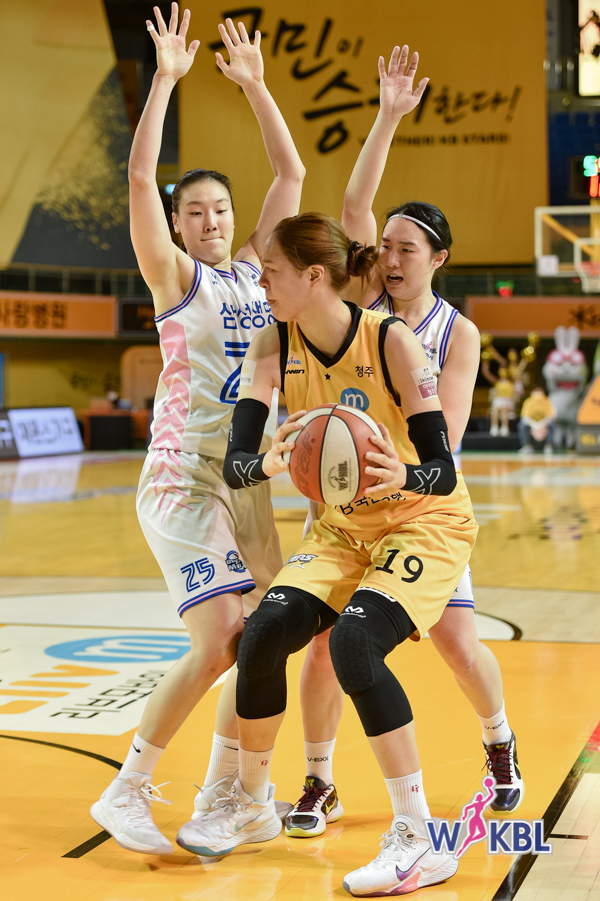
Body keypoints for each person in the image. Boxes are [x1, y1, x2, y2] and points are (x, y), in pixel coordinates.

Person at [175, 211, 479, 897]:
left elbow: (443, 471)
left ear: (314, 276)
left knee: (353, 644)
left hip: (423, 521)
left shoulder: (392, 340)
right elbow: (239, 464)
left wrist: (405, 473)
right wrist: (268, 462)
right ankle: (251, 801)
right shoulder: (272, 341)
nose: (261, 283)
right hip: (343, 529)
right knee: (262, 635)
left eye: (271, 272)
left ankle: (419, 837)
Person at [287, 46, 523, 842]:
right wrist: (388, 115)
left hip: (421, 505)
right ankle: (319, 778)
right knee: (324, 643)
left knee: (458, 642)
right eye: (383, 246)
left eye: (405, 249)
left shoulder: (458, 334)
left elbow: (443, 440)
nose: (387, 258)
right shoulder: (361, 296)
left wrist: (376, 459)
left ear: (438, 260)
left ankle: (498, 740)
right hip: (350, 507)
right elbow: (355, 201)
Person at [90, 4, 306, 855]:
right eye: (196, 212)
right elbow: (140, 175)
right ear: (178, 226)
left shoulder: (259, 272)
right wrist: (165, 81)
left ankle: (237, 793)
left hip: (246, 483)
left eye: (221, 210)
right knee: (220, 637)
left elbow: (289, 169)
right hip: (184, 475)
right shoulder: (176, 279)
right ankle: (127, 787)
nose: (211, 221)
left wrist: (254, 86)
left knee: (263, 637)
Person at [518, 386, 555, 454]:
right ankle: (526, 446)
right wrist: (534, 425)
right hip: (531, 424)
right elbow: (524, 417)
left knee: (552, 425)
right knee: (522, 425)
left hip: (543, 424)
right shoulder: (528, 401)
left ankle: (549, 446)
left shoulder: (547, 401)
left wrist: (541, 424)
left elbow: (550, 417)